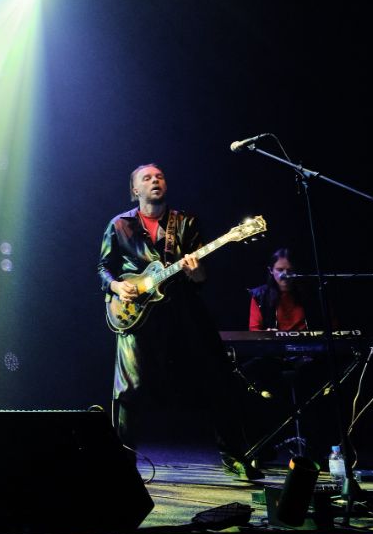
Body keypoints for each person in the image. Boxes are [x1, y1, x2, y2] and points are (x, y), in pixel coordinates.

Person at [98, 163, 262, 480]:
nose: (155, 181)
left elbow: (200, 279)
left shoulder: (185, 222)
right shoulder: (119, 224)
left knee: (217, 377)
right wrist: (117, 286)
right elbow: (103, 268)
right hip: (134, 315)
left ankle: (234, 456)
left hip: (181, 309)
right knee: (129, 389)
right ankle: (122, 464)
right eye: (147, 178)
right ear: (135, 189)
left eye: (159, 176)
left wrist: (195, 271)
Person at [249, 248, 308, 331]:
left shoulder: (309, 293)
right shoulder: (260, 295)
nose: (285, 274)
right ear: (271, 270)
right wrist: (267, 334)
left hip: (306, 339)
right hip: (273, 340)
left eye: (289, 270)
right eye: (280, 270)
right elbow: (254, 329)